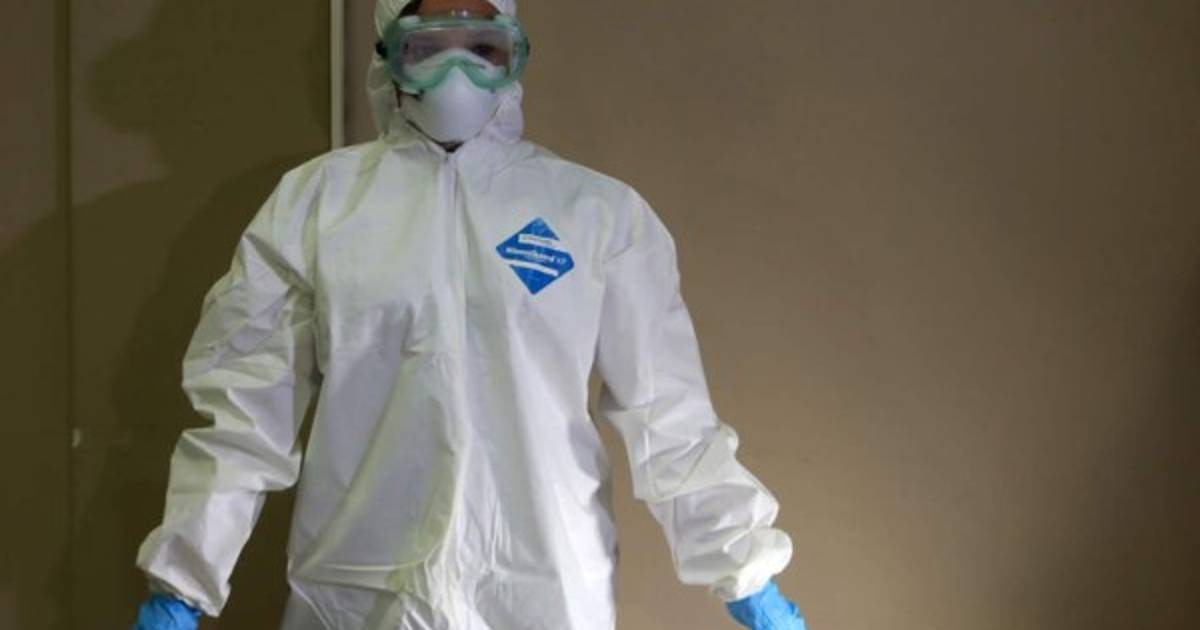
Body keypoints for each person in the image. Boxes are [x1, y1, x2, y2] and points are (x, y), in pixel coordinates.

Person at [130, 0, 807, 628]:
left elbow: (668, 414)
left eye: (483, 49)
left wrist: (746, 571)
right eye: (428, 47)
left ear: (514, 59)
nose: (457, 72)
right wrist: (182, 581)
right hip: (362, 590)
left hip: (544, 587)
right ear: (388, 56)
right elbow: (245, 414)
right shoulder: (316, 206)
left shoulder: (596, 213)